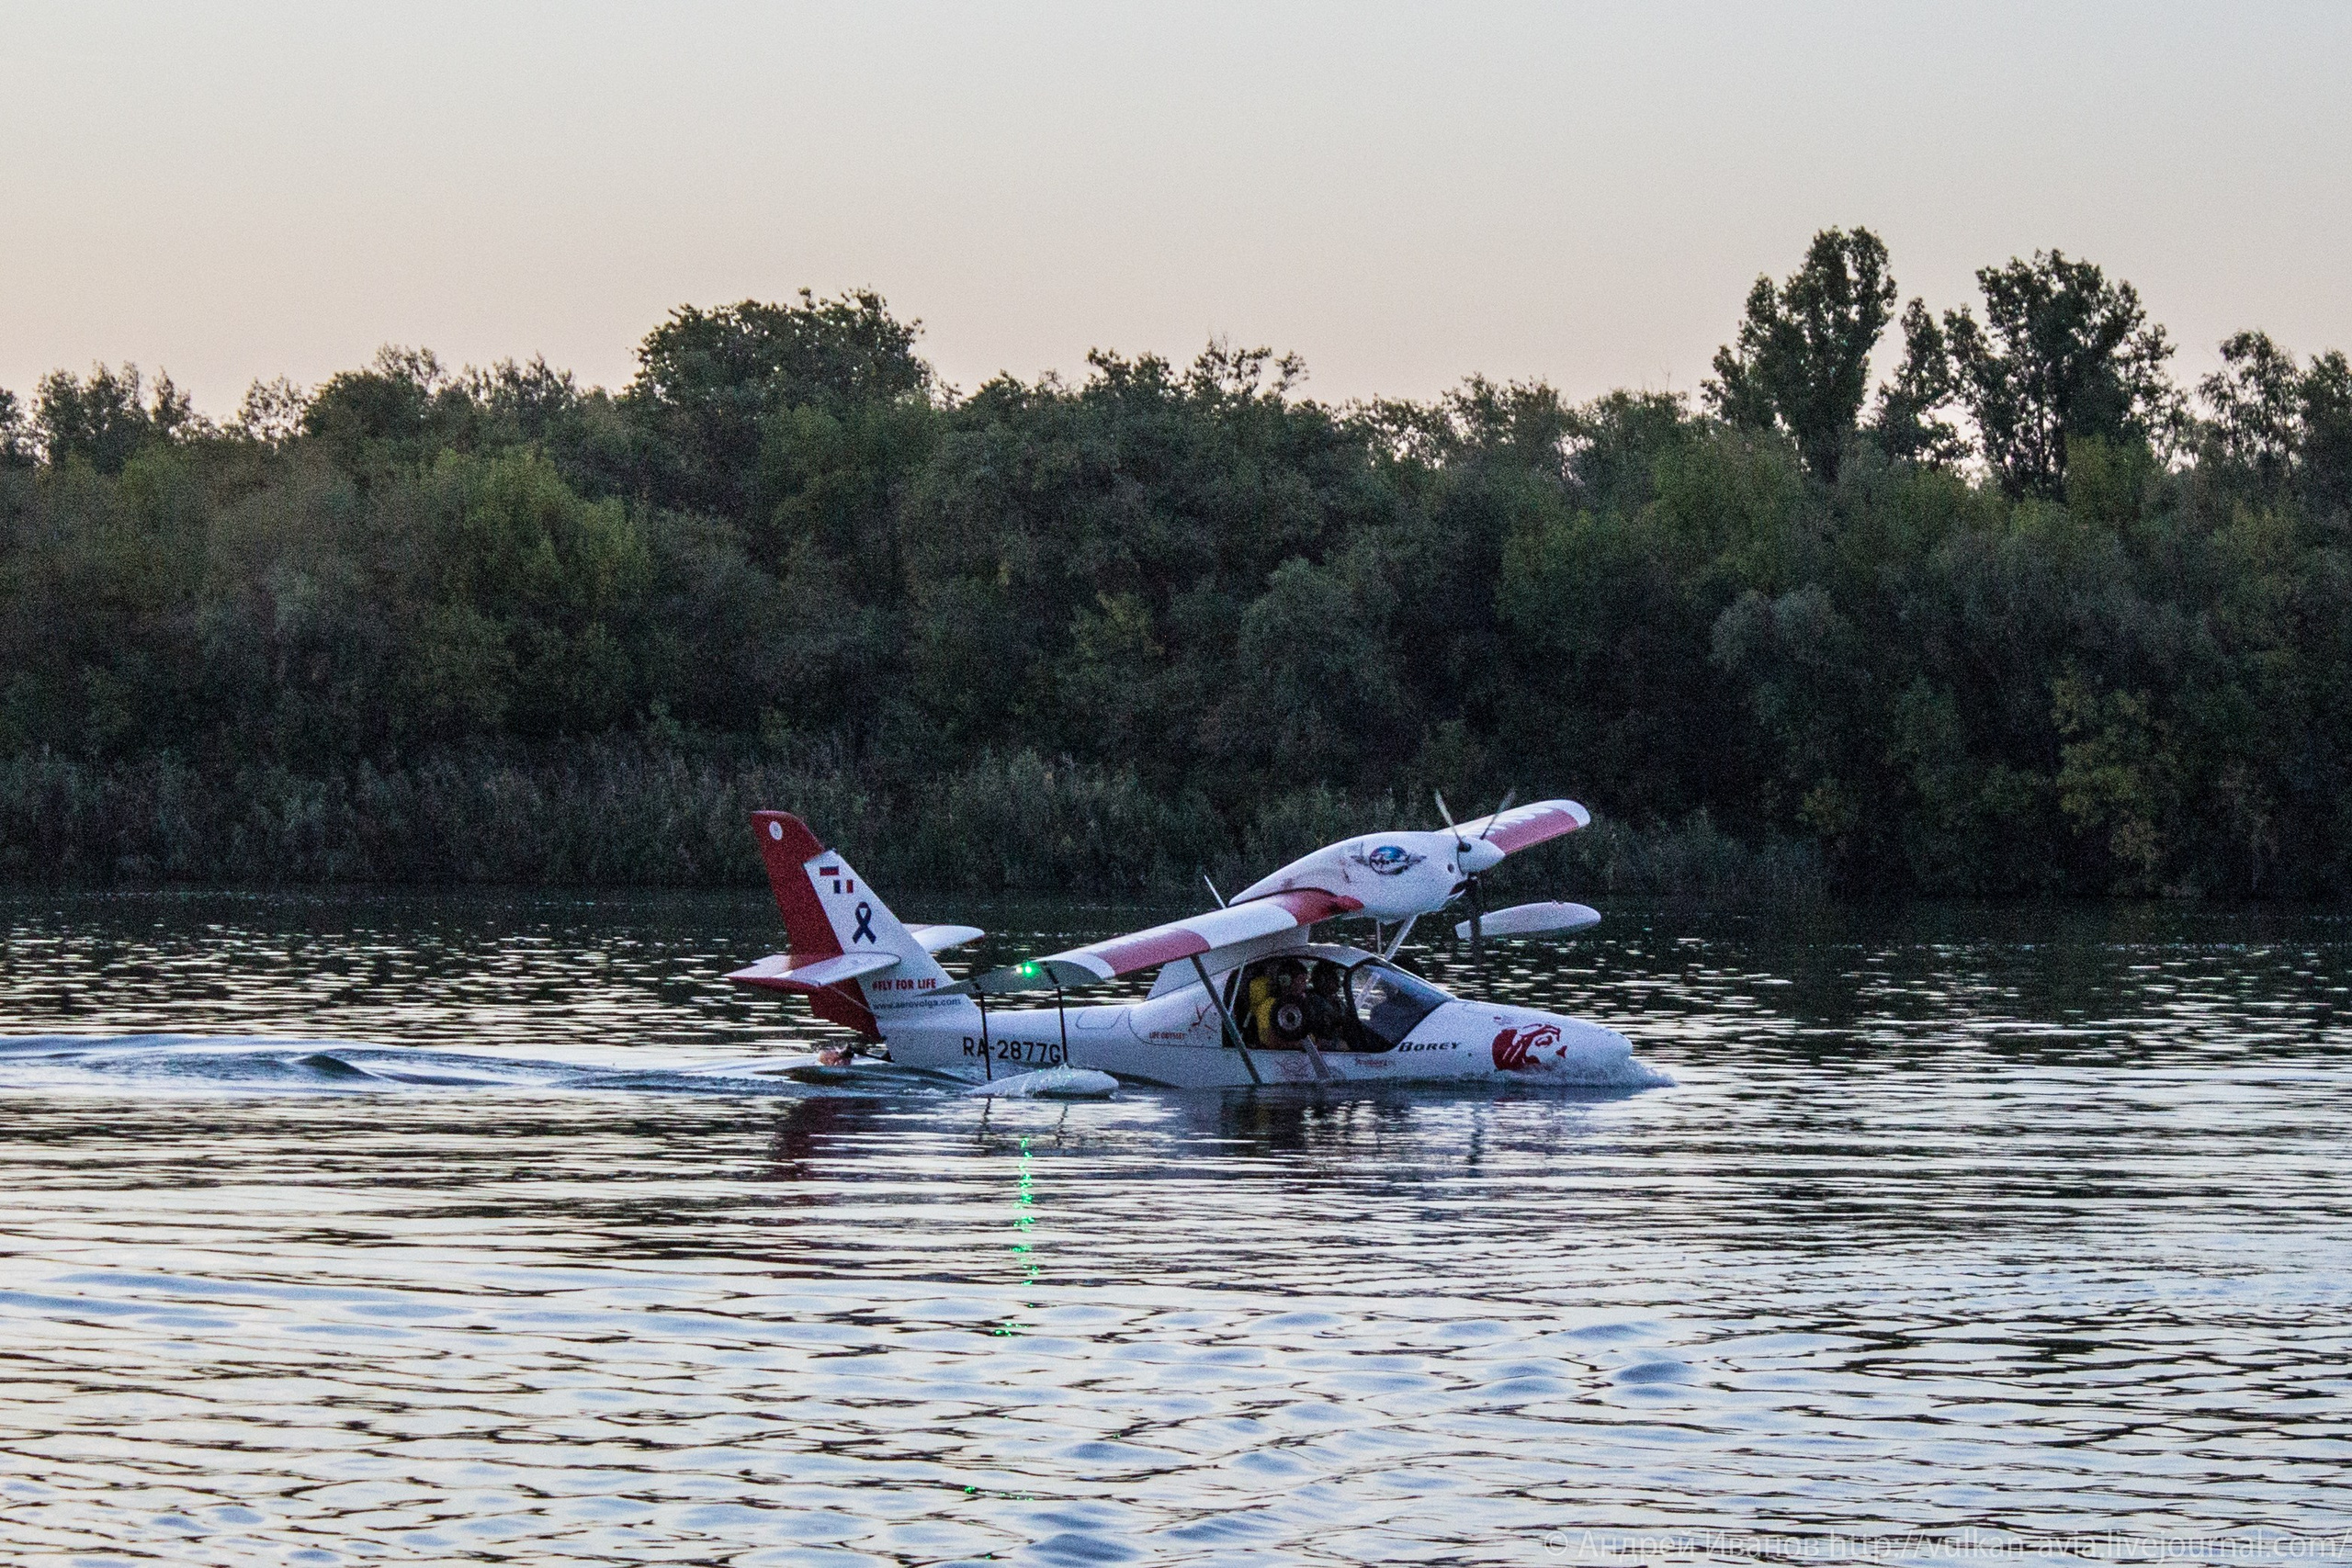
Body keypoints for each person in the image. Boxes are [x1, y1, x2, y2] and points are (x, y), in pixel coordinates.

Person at [1254, 960, 1311, 1046]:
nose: (1304, 985)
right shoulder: (1267, 1006)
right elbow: (1268, 1040)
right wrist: (1301, 1045)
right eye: (1301, 980)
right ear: (1285, 980)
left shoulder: (1303, 1004)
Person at [1305, 962, 1350, 1050]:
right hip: (1324, 1048)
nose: (1338, 981)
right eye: (1333, 977)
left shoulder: (1335, 999)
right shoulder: (1314, 1000)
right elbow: (1337, 1020)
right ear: (1322, 980)